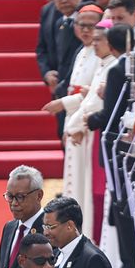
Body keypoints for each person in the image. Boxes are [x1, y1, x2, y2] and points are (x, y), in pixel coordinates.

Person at [44, 17, 114, 238]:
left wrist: (72, 123)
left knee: (88, 189)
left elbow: (92, 100)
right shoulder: (85, 53)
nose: (89, 38)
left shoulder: (109, 64)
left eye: (92, 30)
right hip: (79, 123)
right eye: (81, 25)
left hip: (88, 129)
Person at [86, 23, 135, 268]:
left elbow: (110, 113)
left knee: (122, 209)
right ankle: (131, 265)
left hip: (118, 149)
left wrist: (90, 119)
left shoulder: (119, 69)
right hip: (133, 147)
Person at [0, 165, 46, 268]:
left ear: (39, 196)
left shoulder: (48, 231)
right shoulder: (9, 228)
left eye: (20, 197)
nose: (14, 203)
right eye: (10, 196)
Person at [36, 0, 81, 120]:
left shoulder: (86, 21)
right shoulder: (59, 23)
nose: (64, 0)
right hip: (61, 89)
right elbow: (44, 50)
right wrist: (48, 74)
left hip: (80, 89)